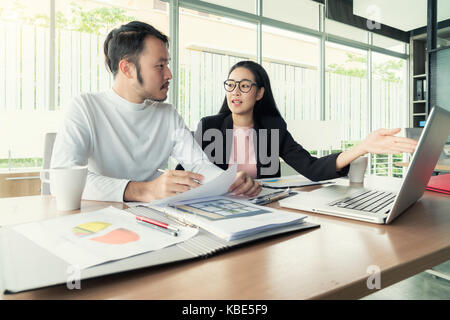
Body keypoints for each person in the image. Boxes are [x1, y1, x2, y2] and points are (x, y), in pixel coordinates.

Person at [51, 22, 261, 203]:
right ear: (127, 69)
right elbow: (62, 179)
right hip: (101, 219)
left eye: (167, 64)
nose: (169, 74)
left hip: (155, 216)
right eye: (160, 66)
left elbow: (198, 164)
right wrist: (145, 189)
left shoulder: (167, 114)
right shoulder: (85, 107)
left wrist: (230, 181)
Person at [183, 60, 418, 181]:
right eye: (231, 85)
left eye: (244, 86)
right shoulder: (209, 126)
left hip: (264, 213)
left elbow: (312, 168)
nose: (235, 92)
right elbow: (186, 173)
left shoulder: (273, 128)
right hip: (216, 212)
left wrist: (362, 147)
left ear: (259, 93)